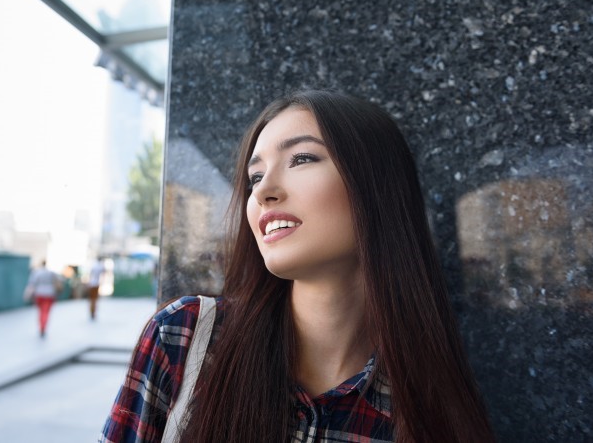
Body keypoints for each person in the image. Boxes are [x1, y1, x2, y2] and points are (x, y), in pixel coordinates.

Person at [101, 90, 495, 442]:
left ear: (376, 186)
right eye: (255, 176)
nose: (264, 190)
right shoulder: (185, 337)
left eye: (302, 158)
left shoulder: (428, 405)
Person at [24, 259, 62, 337]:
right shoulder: (51, 273)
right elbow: (59, 280)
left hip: (39, 294)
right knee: (46, 312)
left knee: (41, 311)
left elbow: (32, 283)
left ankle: (41, 326)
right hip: (49, 294)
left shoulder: (37, 272)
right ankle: (43, 327)